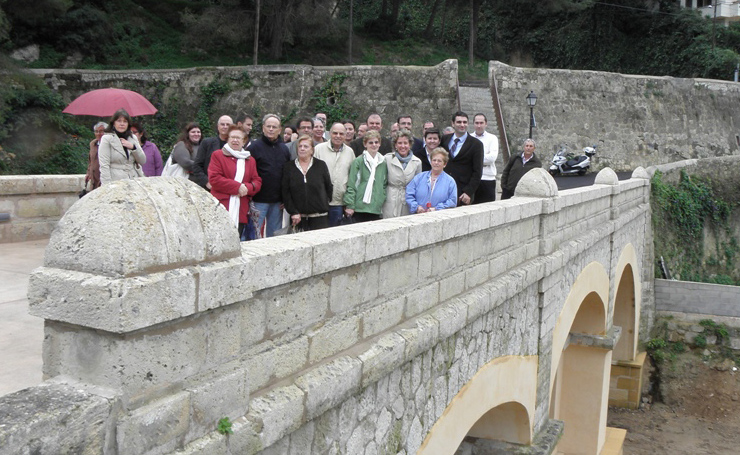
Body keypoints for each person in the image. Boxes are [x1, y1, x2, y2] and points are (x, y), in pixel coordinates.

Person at [208, 126, 262, 240]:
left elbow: (257, 181)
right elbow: (214, 179)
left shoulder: (249, 160)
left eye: (238, 138)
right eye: (232, 137)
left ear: (244, 141)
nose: (235, 140)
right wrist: (237, 187)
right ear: (227, 139)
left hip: (241, 208)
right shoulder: (217, 155)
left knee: (236, 242)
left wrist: (246, 187)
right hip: (221, 206)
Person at [248, 114, 291, 238]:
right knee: (254, 234)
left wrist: (285, 197)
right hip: (258, 200)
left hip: (277, 202)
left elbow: (286, 174)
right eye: (268, 126)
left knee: (275, 236)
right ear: (263, 128)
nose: (271, 129)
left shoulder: (284, 149)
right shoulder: (254, 148)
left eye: (274, 127)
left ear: (280, 130)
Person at [282, 135, 333, 232]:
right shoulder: (289, 167)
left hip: (319, 216)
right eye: (300, 146)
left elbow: (328, 187)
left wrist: (323, 203)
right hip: (297, 218)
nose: (302, 149)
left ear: (312, 150)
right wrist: (293, 212)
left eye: (306, 146)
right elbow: (286, 192)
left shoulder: (320, 165)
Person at [314, 122, 355, 227]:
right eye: (335, 133)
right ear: (329, 134)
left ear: (345, 135)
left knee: (335, 232)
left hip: (338, 202)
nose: (338, 136)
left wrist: (349, 203)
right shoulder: (319, 149)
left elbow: (352, 178)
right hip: (320, 201)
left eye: (341, 134)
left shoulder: (350, 152)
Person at [343, 130, 387, 223]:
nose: (374, 145)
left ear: (379, 144)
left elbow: (384, 183)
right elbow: (352, 184)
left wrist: (381, 198)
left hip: (376, 207)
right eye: (370, 142)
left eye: (376, 142)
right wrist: (350, 205)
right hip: (360, 207)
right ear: (365, 144)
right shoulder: (358, 161)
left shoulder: (383, 162)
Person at [442, 111, 483, 206]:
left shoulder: (476, 144)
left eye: (465, 122)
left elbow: (477, 172)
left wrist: (469, 192)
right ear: (453, 123)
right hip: (444, 188)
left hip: (463, 193)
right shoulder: (444, 139)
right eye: (459, 122)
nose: (462, 125)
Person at [98, 109, 146, 185]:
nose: (122, 124)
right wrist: (107, 187)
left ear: (128, 124)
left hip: (134, 180)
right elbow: (104, 165)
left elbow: (142, 161)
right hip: (116, 181)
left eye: (125, 121)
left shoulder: (133, 138)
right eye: (119, 121)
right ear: (114, 123)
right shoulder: (107, 139)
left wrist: (133, 147)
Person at [382, 129, 422, 218]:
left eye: (405, 143)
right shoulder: (387, 159)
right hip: (390, 200)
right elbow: (382, 182)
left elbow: (418, 186)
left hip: (407, 200)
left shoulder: (417, 162)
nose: (402, 146)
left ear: (410, 145)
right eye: (399, 143)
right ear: (395, 145)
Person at [406, 148, 458, 214]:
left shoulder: (450, 181)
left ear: (445, 164)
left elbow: (452, 201)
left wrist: (437, 209)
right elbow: (409, 194)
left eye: (439, 161)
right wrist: (416, 207)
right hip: (418, 216)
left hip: (440, 217)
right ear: (430, 161)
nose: (436, 163)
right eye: (434, 160)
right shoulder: (419, 177)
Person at [191, 115, 233, 190]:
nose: (225, 127)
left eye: (228, 124)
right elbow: (197, 166)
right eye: (222, 124)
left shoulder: (236, 145)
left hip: (229, 188)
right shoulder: (207, 143)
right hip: (209, 188)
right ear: (218, 126)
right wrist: (206, 182)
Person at [472, 113, 499, 203]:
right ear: (473, 124)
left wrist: (474, 159)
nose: (479, 126)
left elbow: (492, 158)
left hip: (488, 178)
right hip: (472, 178)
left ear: (486, 124)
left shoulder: (492, 138)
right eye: (477, 123)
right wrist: (484, 157)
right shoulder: (469, 138)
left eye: (481, 123)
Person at [85, 121, 106, 190]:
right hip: (94, 180)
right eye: (96, 131)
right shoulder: (93, 144)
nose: (98, 134)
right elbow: (91, 161)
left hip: (103, 179)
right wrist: (88, 173)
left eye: (101, 131)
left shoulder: (108, 145)